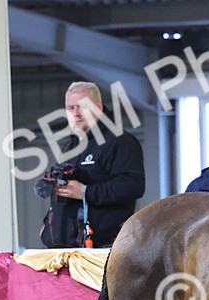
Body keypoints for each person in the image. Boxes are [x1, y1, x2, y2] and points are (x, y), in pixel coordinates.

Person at [36, 81, 146, 249]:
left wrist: (86, 192)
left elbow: (133, 185)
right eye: (70, 108)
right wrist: (48, 223)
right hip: (64, 249)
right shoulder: (72, 146)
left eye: (82, 107)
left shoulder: (120, 142)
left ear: (98, 107)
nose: (76, 114)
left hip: (102, 249)